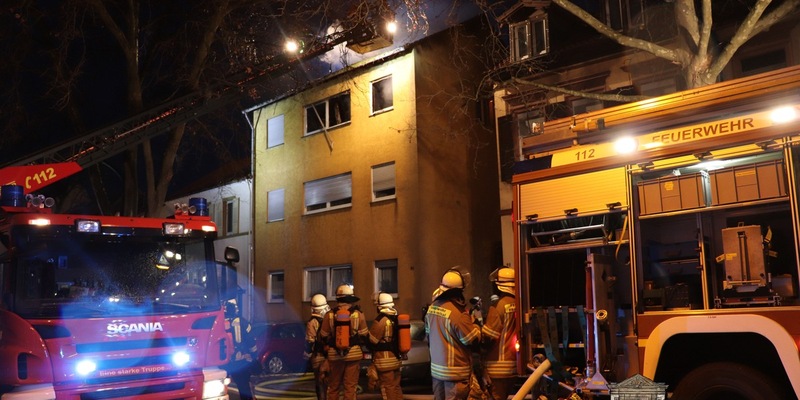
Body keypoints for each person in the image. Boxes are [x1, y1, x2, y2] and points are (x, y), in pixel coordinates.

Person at [426, 267, 482, 400]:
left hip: (437, 373)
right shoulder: (459, 313)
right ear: (458, 291)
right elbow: (471, 340)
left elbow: (428, 336)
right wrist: (476, 323)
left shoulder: (432, 308)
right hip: (455, 375)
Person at [319, 284, 369, 400]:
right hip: (353, 355)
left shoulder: (329, 315)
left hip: (334, 356)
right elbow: (364, 334)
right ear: (350, 299)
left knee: (333, 387)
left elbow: (323, 335)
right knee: (350, 388)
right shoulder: (358, 314)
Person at [482, 267, 518, 400]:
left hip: (496, 368)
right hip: (513, 366)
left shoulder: (498, 306)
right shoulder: (518, 303)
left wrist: (476, 328)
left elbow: (488, 337)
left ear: (499, 286)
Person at [368, 292, 404, 400]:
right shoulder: (395, 318)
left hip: (384, 362)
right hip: (396, 359)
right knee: (396, 387)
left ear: (380, 306)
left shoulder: (381, 320)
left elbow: (372, 340)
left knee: (387, 389)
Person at [223, 301, 258, 400]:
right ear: (235, 309)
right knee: (244, 388)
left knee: (218, 387)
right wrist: (254, 356)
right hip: (240, 361)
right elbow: (251, 341)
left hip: (223, 362)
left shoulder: (219, 322)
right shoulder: (243, 322)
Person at [305, 293, 330, 400]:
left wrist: (307, 355)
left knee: (320, 383)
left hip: (318, 356)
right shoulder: (330, 320)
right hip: (330, 356)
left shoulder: (312, 322)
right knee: (330, 382)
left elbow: (310, 341)